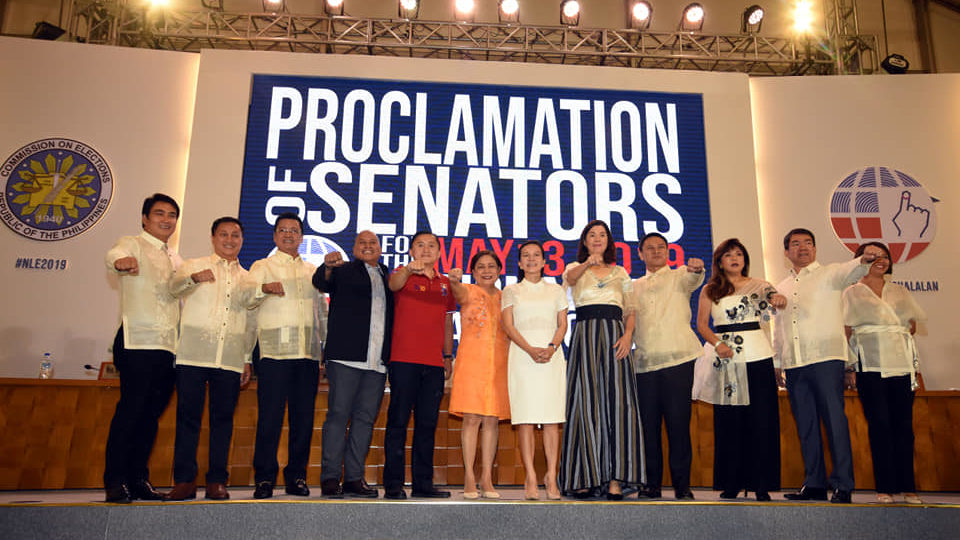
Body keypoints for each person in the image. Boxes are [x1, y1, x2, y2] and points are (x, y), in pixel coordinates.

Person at [774, 228, 876, 504]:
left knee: (834, 421)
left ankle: (843, 484)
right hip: (795, 362)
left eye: (808, 242)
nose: (802, 248)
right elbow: (779, 327)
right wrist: (777, 361)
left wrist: (864, 259)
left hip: (825, 358)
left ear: (815, 249)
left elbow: (852, 271)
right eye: (795, 244)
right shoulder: (781, 287)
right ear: (786, 252)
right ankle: (814, 483)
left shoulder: (830, 274)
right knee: (806, 424)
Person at [164, 217, 256, 501]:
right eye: (224, 234)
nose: (230, 240)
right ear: (213, 237)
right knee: (187, 419)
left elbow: (251, 320)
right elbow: (173, 288)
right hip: (193, 354)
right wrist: (193, 278)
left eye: (236, 235)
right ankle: (184, 482)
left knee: (223, 421)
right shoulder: (193, 265)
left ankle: (217, 481)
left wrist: (246, 358)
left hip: (229, 359)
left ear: (242, 240)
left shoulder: (248, 276)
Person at [102, 193, 182, 504]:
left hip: (167, 347)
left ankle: (138, 480)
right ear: (145, 219)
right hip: (136, 341)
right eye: (160, 213)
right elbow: (114, 255)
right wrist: (120, 262)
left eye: (172, 215)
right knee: (130, 413)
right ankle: (115, 481)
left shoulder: (175, 257)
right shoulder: (131, 243)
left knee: (150, 417)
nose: (166, 219)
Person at [694, 238, 785, 502]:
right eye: (728, 255)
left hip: (758, 357)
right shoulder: (711, 289)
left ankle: (761, 484)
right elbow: (702, 324)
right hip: (727, 359)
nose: (734, 258)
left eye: (739, 254)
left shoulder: (761, 285)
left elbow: (776, 303)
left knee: (762, 421)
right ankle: (731, 482)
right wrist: (718, 344)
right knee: (729, 422)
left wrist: (778, 299)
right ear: (719, 261)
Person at [243, 212, 326, 499]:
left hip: (307, 355)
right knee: (270, 419)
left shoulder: (313, 271)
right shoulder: (262, 266)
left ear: (302, 237)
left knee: (303, 420)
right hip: (274, 354)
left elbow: (322, 314)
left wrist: (324, 349)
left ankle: (297, 477)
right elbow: (244, 298)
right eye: (283, 230)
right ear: (275, 236)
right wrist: (262, 288)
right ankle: (264, 479)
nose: (289, 234)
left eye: (294, 230)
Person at [559, 220, 643, 500]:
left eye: (602, 235)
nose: (597, 239)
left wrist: (627, 335)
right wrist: (588, 263)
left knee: (618, 405)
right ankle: (585, 476)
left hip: (614, 337)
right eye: (591, 235)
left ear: (609, 241)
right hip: (585, 336)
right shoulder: (573, 267)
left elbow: (630, 309)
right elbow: (570, 282)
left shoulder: (620, 272)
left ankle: (616, 480)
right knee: (585, 404)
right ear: (584, 241)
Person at [842, 242, 926, 505]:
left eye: (885, 256)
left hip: (901, 365)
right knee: (879, 426)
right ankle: (885, 487)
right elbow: (845, 331)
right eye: (873, 256)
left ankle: (908, 488)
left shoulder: (899, 290)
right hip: (870, 365)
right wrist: (849, 366)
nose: (881, 260)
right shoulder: (851, 292)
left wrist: (892, 330)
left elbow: (911, 327)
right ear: (860, 260)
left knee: (904, 427)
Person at [312, 231, 393, 499]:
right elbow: (321, 282)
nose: (368, 246)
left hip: (377, 362)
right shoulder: (342, 269)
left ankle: (354, 479)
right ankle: (331, 478)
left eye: (373, 243)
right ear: (354, 248)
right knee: (337, 416)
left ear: (380, 248)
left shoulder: (387, 274)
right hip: (346, 357)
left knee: (365, 420)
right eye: (362, 243)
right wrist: (327, 266)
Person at [631, 232, 704, 500]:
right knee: (648, 429)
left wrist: (697, 269)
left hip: (678, 361)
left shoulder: (680, 276)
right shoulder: (633, 286)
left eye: (661, 247)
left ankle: (682, 486)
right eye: (649, 248)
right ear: (640, 253)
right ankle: (652, 485)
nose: (656, 251)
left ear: (668, 251)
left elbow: (694, 278)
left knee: (678, 426)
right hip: (645, 365)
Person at [382, 231, 456, 499]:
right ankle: (393, 484)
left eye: (431, 246)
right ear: (412, 250)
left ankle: (423, 484)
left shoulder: (445, 283)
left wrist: (448, 355)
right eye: (420, 245)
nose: (426, 250)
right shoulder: (402, 274)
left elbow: (448, 320)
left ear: (438, 252)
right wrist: (408, 269)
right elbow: (393, 286)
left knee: (427, 425)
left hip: (434, 364)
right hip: (403, 361)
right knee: (397, 423)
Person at [501, 240, 568, 501]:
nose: (531, 260)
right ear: (519, 263)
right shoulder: (511, 290)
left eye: (536, 255)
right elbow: (508, 325)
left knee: (552, 419)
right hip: (522, 356)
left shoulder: (556, 290)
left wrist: (551, 347)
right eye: (525, 256)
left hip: (552, 357)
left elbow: (562, 324)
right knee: (526, 419)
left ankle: (551, 476)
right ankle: (530, 476)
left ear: (544, 261)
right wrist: (529, 349)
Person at [446, 250, 511, 499]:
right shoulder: (468, 291)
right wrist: (453, 280)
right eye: (481, 267)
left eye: (491, 266)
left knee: (492, 420)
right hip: (471, 363)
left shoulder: (506, 297)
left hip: (499, 365)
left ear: (498, 270)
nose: (486, 270)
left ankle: (486, 478)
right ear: (473, 272)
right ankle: (469, 477)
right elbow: (457, 291)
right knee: (471, 419)